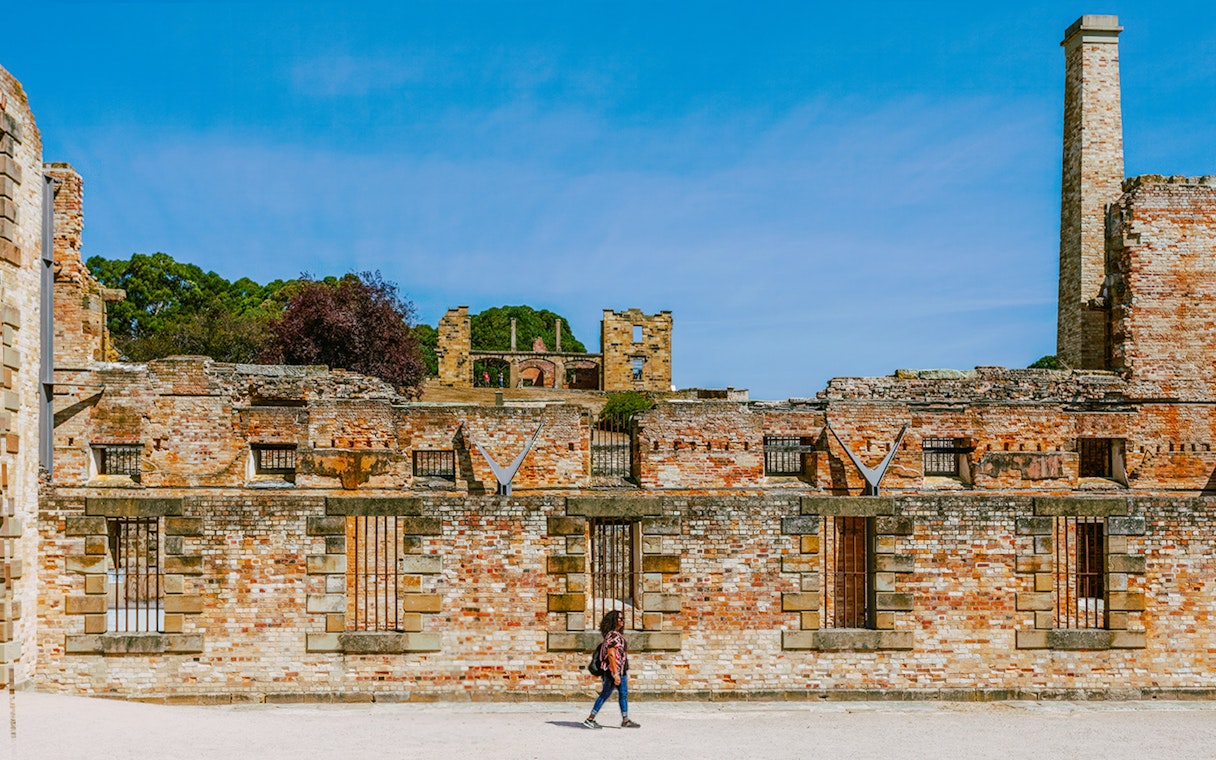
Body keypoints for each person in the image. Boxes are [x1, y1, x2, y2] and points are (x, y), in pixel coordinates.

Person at [582, 610, 640, 729]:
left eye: (623, 618)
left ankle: (625, 719)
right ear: (614, 621)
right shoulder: (613, 636)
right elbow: (611, 655)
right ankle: (590, 719)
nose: (622, 621)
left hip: (620, 670)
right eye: (619, 619)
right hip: (613, 671)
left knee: (623, 694)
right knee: (605, 694)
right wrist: (616, 674)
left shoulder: (616, 635)